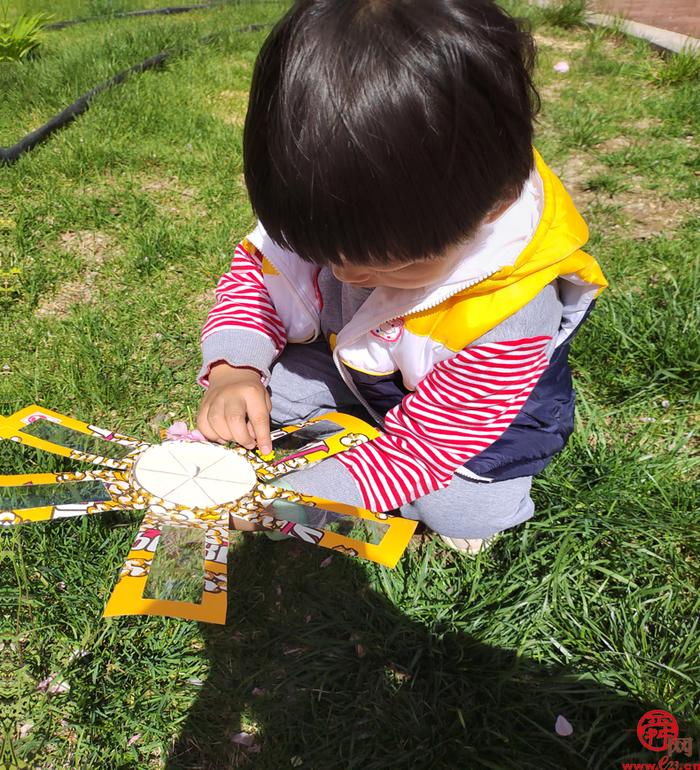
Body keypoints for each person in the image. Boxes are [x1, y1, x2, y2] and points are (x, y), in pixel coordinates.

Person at [196, 0, 607, 553]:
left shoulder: (511, 312)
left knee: (465, 507)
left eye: (383, 263)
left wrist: (285, 497)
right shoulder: (339, 209)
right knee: (274, 390)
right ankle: (358, 437)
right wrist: (231, 369)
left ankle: (403, 470)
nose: (342, 273)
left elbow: (425, 454)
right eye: (320, 251)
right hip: (369, 359)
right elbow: (257, 276)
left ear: (494, 205)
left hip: (479, 420)